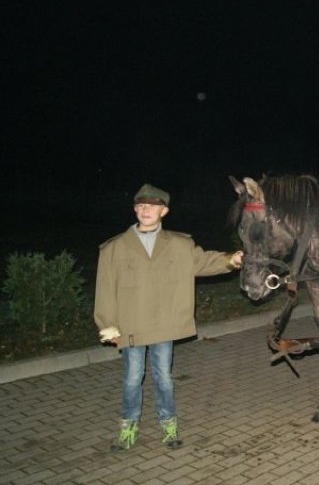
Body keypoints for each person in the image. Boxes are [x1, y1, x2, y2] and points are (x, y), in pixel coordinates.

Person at [94, 183, 243, 453]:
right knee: (132, 377)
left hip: (164, 323)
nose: (145, 210)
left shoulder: (179, 244)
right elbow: (104, 289)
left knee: (163, 377)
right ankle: (128, 428)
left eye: (152, 206)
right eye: (141, 206)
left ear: (164, 211)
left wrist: (231, 260)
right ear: (135, 210)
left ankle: (169, 426)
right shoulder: (114, 248)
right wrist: (107, 325)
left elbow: (204, 262)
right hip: (131, 325)